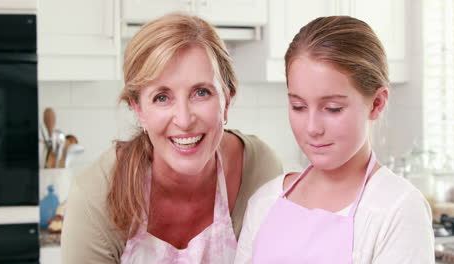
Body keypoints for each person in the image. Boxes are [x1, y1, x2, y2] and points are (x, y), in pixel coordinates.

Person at [61, 13, 283, 264]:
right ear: (139, 109)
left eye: (201, 92)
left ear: (227, 101)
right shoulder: (96, 196)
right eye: (162, 97)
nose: (184, 120)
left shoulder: (261, 172)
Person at [235, 16, 434, 263]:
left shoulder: (398, 209)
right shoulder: (265, 202)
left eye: (332, 108)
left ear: (377, 103)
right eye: (298, 106)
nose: (312, 128)